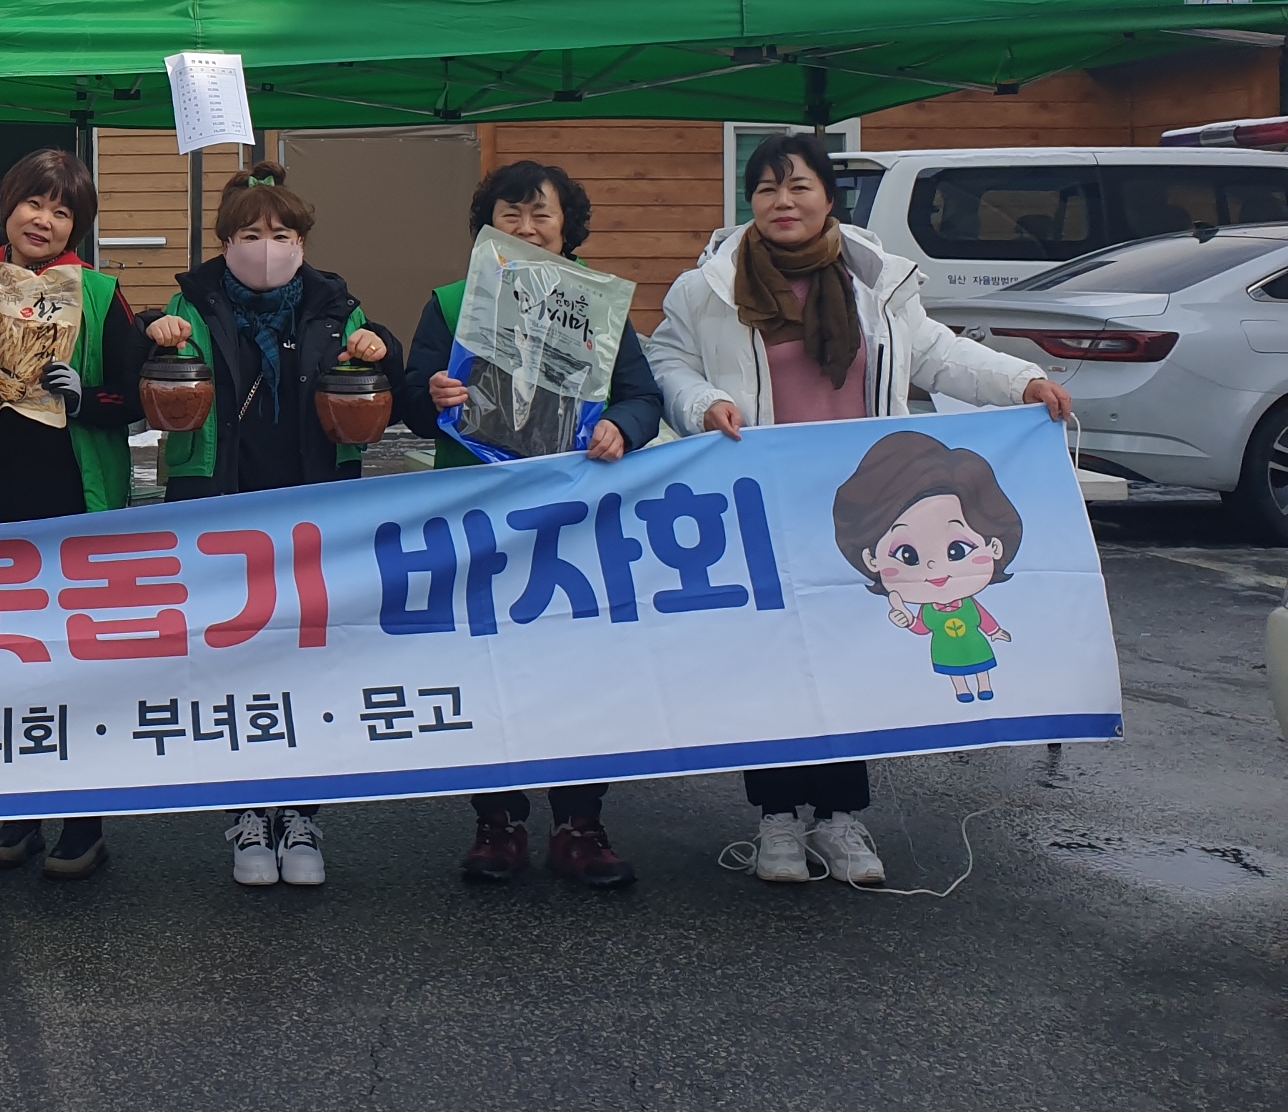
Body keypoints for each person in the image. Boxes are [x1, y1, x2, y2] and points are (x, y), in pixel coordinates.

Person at [647, 132, 1072, 888]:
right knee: (773, 658)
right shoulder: (706, 287)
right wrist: (702, 401)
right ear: (750, 200)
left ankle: (841, 818)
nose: (783, 201)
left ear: (827, 197)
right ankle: (777, 818)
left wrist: (1021, 382)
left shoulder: (878, 281)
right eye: (767, 188)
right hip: (764, 506)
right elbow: (668, 359)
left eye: (799, 186)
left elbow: (939, 354)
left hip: (867, 511)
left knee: (850, 657)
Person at [402, 161, 665, 890]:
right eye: (509, 215)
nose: (526, 228)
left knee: (578, 667)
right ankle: (497, 821)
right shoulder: (452, 302)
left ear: (567, 224)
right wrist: (432, 393)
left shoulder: (599, 305)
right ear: (487, 227)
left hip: (573, 519)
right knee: (486, 664)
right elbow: (412, 401)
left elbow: (643, 397)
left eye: (540, 214)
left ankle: (581, 821)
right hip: (477, 514)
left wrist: (621, 425)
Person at [0, 149, 178, 883]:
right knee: (3, 659)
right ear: (7, 207)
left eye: (62, 211)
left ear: (78, 225)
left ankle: (84, 820)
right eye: (33, 203)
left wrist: (85, 397)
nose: (43, 220)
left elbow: (136, 395)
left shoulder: (100, 293)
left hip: (74, 500)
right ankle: (19, 810)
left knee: (76, 660)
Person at [156, 159, 403, 890]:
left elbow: (384, 381)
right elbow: (152, 382)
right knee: (231, 663)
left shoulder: (336, 307)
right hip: (219, 509)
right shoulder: (191, 304)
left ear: (303, 241)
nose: (267, 248)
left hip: (314, 513)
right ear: (225, 240)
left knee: (308, 661)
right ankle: (245, 814)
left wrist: (378, 347)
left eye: (283, 234)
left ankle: (301, 813)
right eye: (252, 235)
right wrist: (156, 336)